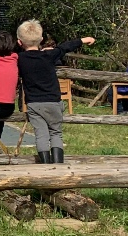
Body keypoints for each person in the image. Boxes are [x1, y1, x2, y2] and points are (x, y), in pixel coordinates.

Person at [17, 19, 94, 164]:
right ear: (41, 39)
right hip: (54, 101)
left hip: (34, 103)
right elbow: (65, 47)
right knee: (56, 133)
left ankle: (46, 165)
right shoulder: (49, 55)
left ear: (19, 42)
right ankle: (58, 164)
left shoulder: (19, 59)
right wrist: (83, 40)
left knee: (41, 134)